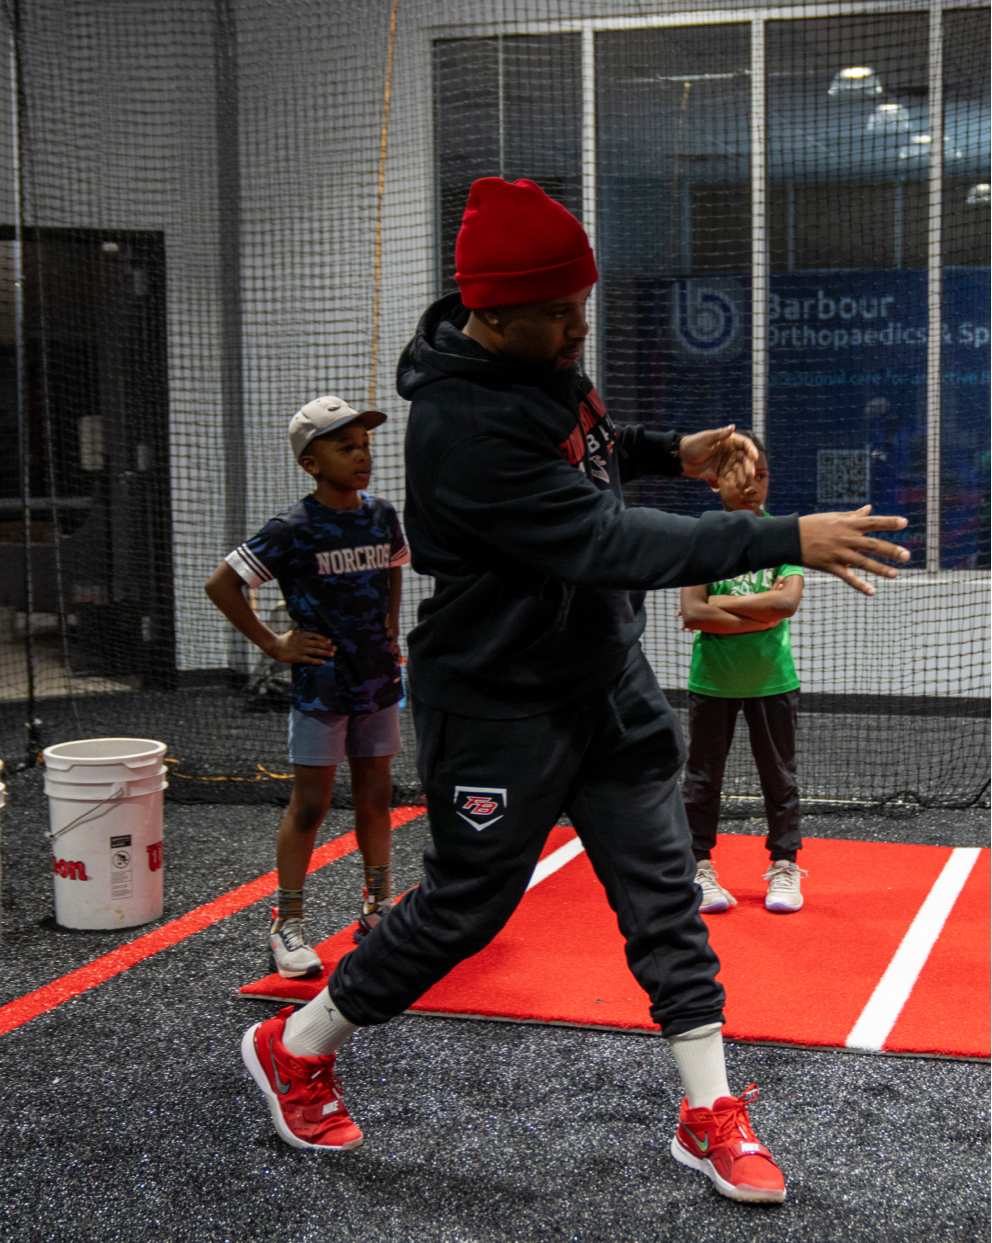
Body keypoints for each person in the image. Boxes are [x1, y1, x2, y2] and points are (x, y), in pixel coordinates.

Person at [238, 179, 908, 1201]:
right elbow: (604, 538)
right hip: (498, 700)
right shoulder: (457, 427)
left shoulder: (541, 356)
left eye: (579, 306)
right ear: (491, 314)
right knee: (466, 906)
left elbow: (586, 449)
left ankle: (706, 1109)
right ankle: (297, 1045)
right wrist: (784, 537)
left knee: (663, 891)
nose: (576, 326)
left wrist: (665, 450)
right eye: (557, 312)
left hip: (603, 679)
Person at [205, 395, 409, 980]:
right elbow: (222, 583)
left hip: (377, 680)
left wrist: (392, 624)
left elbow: (393, 565)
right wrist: (273, 645)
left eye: (366, 446)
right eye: (346, 447)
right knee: (312, 805)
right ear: (311, 464)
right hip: (321, 687)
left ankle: (377, 907)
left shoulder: (381, 514)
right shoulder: (292, 528)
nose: (362, 456)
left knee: (377, 796)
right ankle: (286, 922)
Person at [680, 434, 807, 915]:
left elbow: (786, 603)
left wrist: (722, 603)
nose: (753, 485)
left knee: (780, 778)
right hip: (712, 680)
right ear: (713, 481)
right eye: (739, 476)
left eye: (762, 475)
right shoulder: (702, 539)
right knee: (702, 780)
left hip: (773, 679)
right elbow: (692, 612)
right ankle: (699, 867)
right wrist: (762, 612)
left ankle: (785, 864)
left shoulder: (783, 536)